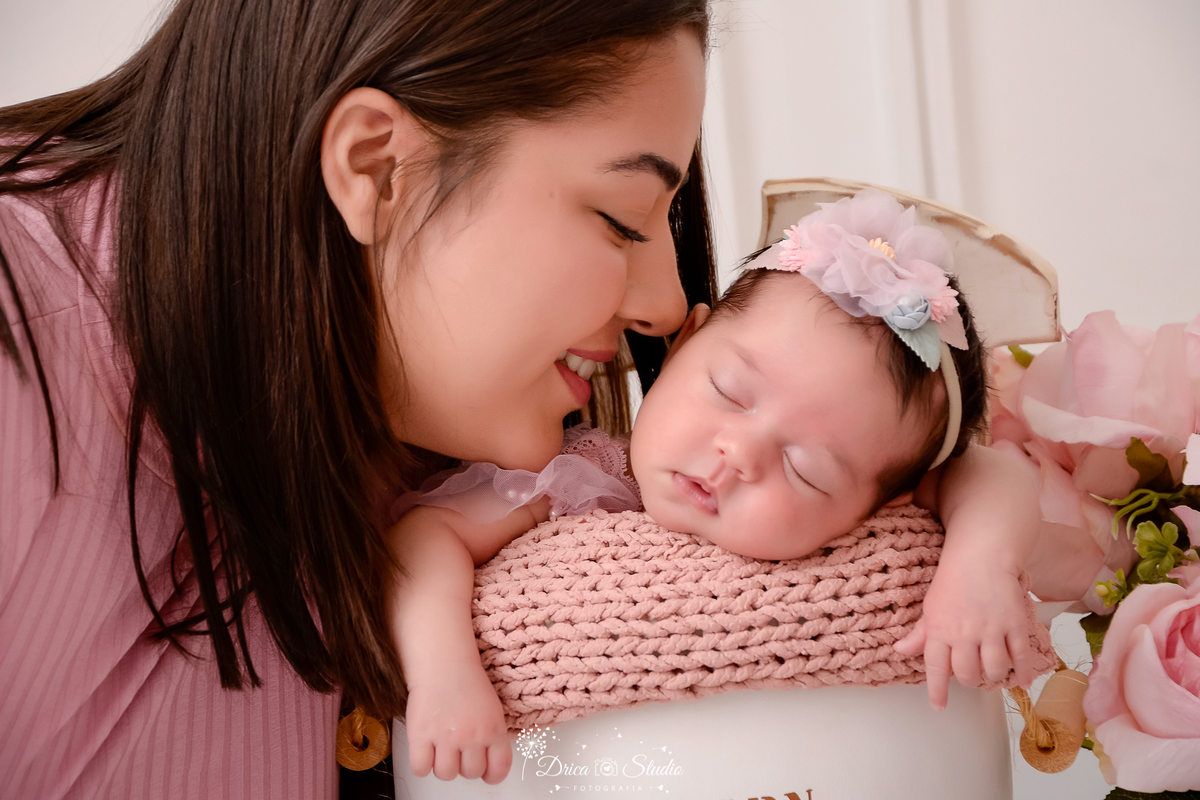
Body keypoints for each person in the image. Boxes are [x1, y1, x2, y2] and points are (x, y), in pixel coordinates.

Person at [0, 1, 715, 797]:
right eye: (622, 219)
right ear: (377, 165)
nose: (665, 303)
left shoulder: (436, 437)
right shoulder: (21, 339)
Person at [391, 190, 1047, 784]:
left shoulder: (871, 549)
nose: (738, 454)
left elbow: (997, 470)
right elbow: (426, 537)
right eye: (730, 392)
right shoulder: (576, 477)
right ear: (683, 346)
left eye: (804, 468)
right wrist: (444, 676)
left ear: (879, 506)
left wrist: (981, 564)